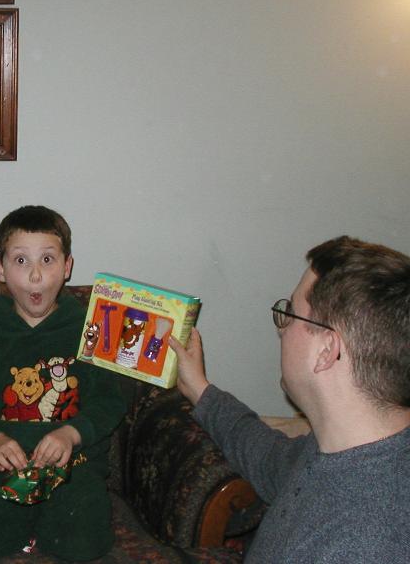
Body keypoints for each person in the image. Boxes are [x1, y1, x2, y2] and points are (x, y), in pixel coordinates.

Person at [169, 236, 410, 563]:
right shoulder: (343, 447)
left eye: (292, 313)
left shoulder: (362, 543)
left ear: (326, 350)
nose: (282, 328)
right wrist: (199, 389)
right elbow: (271, 459)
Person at [0, 205, 126, 562]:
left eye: (47, 259)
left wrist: (71, 434)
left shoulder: (91, 329)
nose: (35, 276)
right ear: (0, 269)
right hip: (11, 467)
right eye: (20, 261)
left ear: (67, 266)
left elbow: (111, 399)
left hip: (75, 466)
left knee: (83, 548)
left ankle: (48, 524)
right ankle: (29, 523)